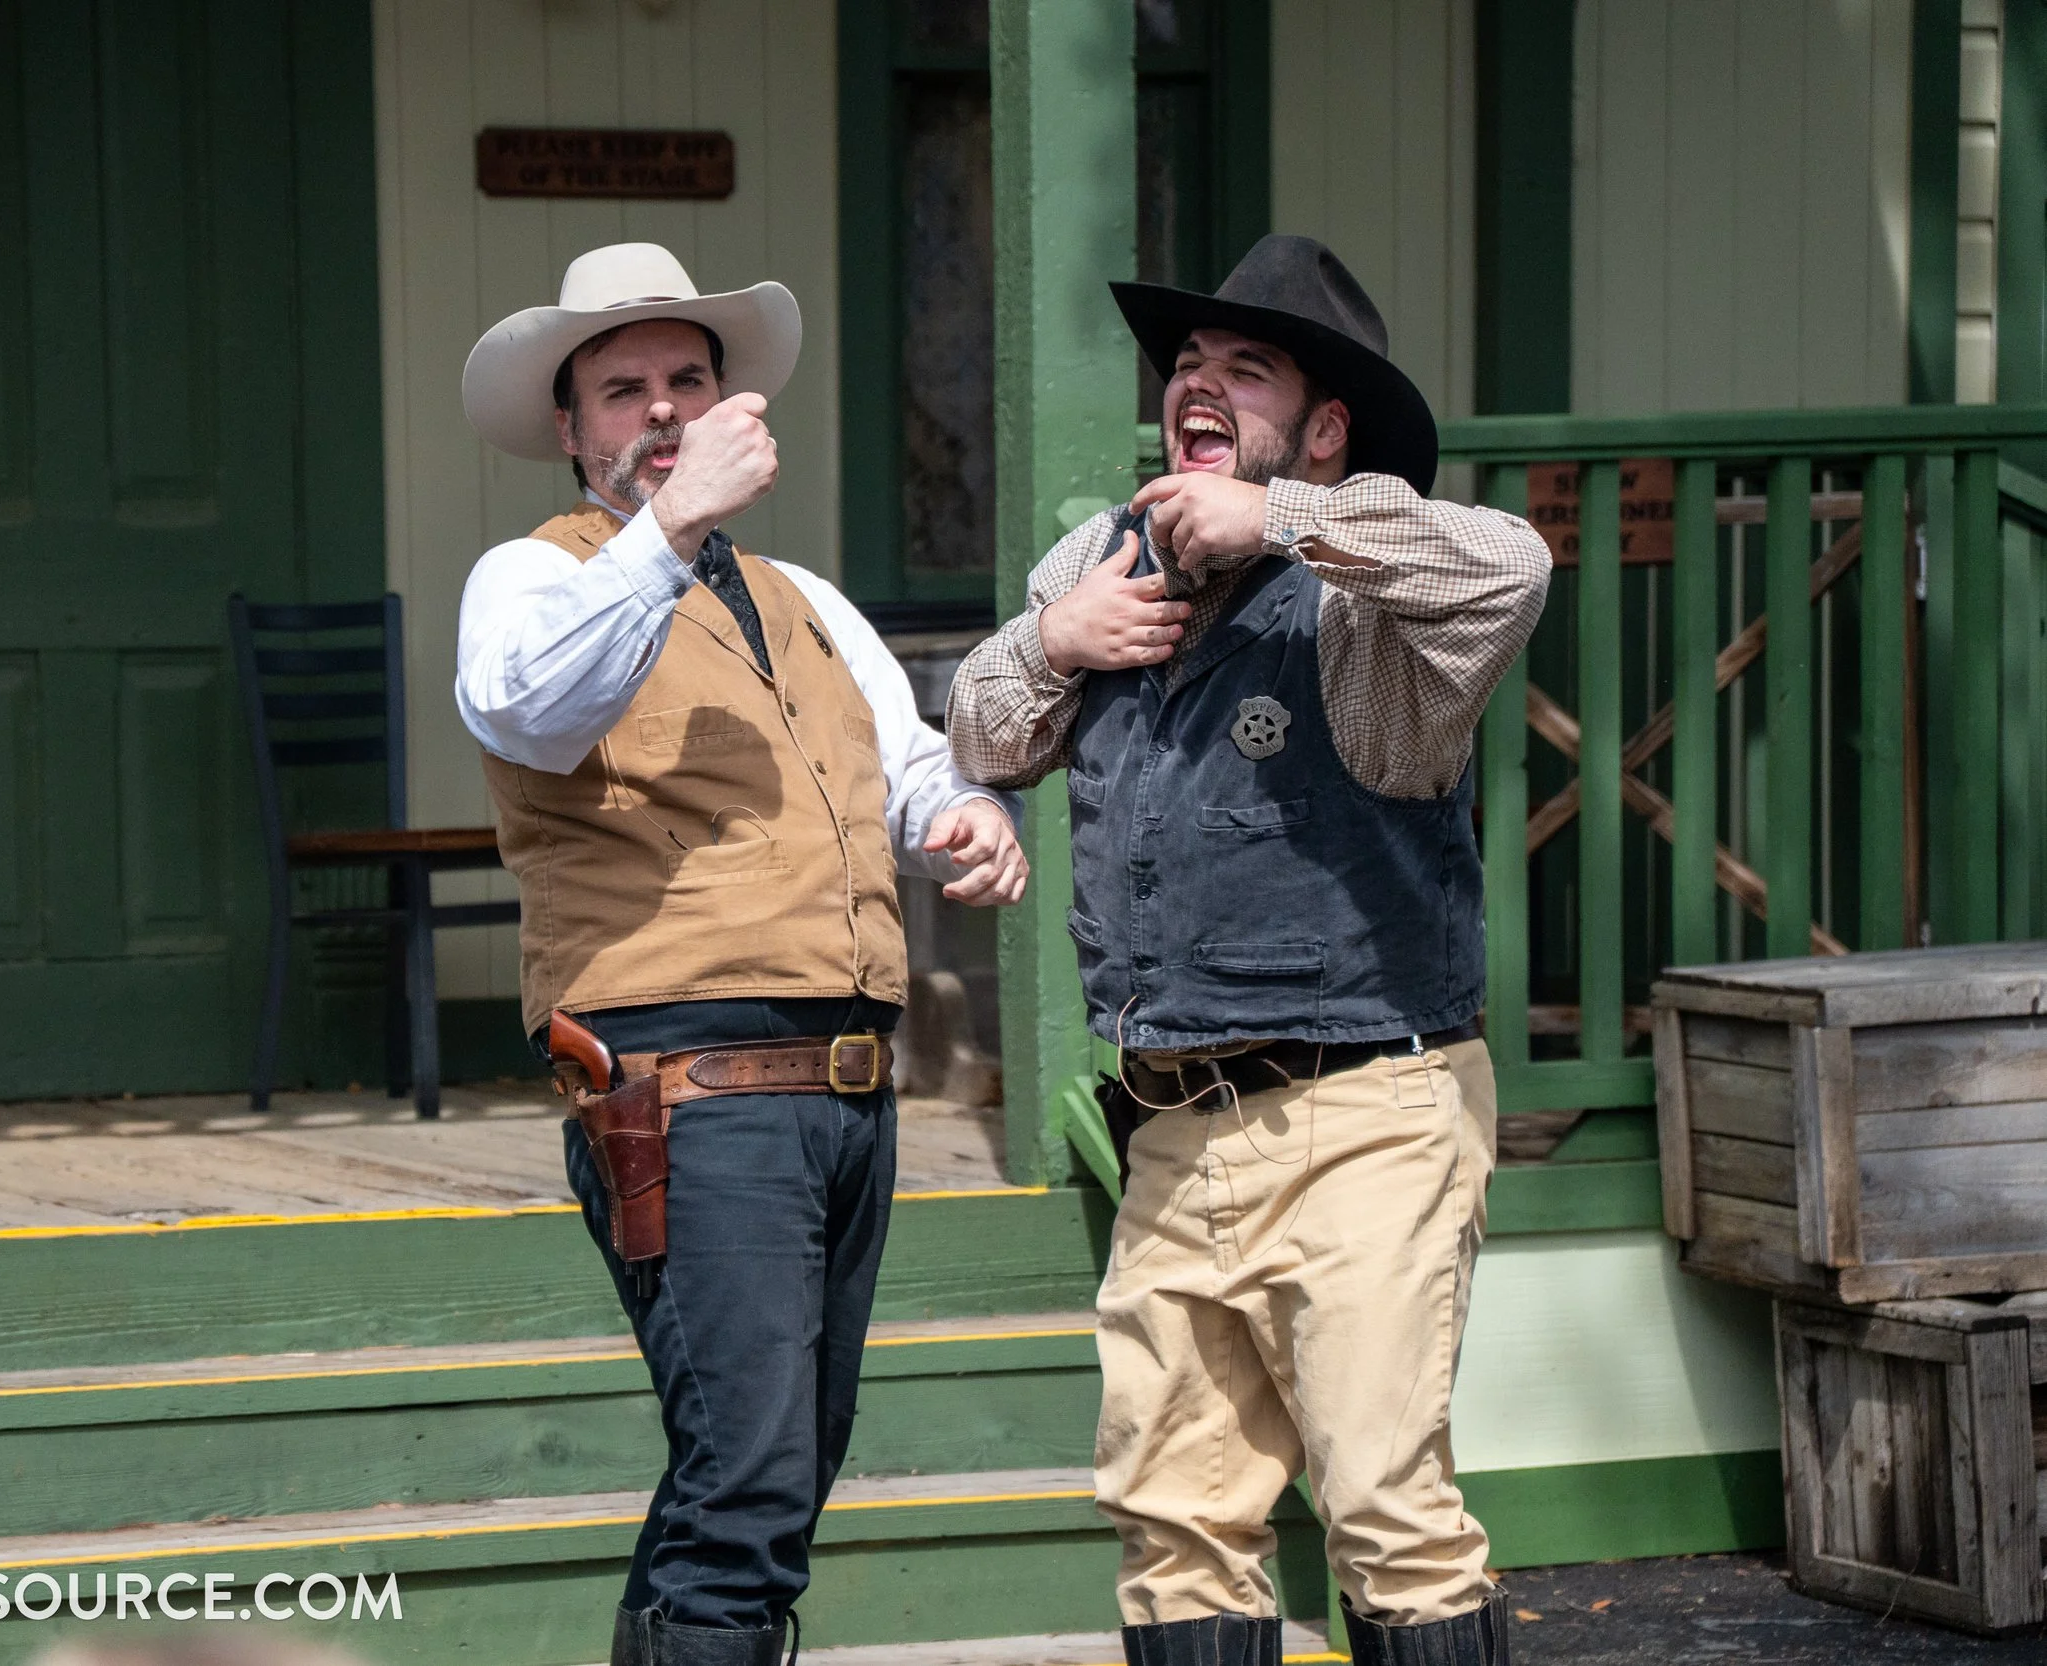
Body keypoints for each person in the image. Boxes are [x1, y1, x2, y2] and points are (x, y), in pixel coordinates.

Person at [948, 234, 1551, 1666]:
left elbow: (1511, 566)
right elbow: (977, 726)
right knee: (1174, 1520)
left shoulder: (1363, 585)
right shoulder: (1099, 561)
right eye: (1190, 369)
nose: (1198, 389)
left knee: (1387, 1510)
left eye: (1247, 371)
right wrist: (1057, 635)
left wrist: (1281, 519)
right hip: (1169, 1129)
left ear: (1322, 430)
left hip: (1369, 1112)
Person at [455, 242, 1027, 1666]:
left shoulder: (806, 598)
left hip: (842, 1089)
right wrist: (666, 537)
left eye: (687, 381)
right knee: (749, 1485)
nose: (661, 411)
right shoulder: (533, 579)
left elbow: (899, 759)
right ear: (574, 428)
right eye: (624, 390)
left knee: (770, 1477)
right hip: (685, 1091)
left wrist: (962, 811)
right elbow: (528, 709)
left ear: (730, 403)